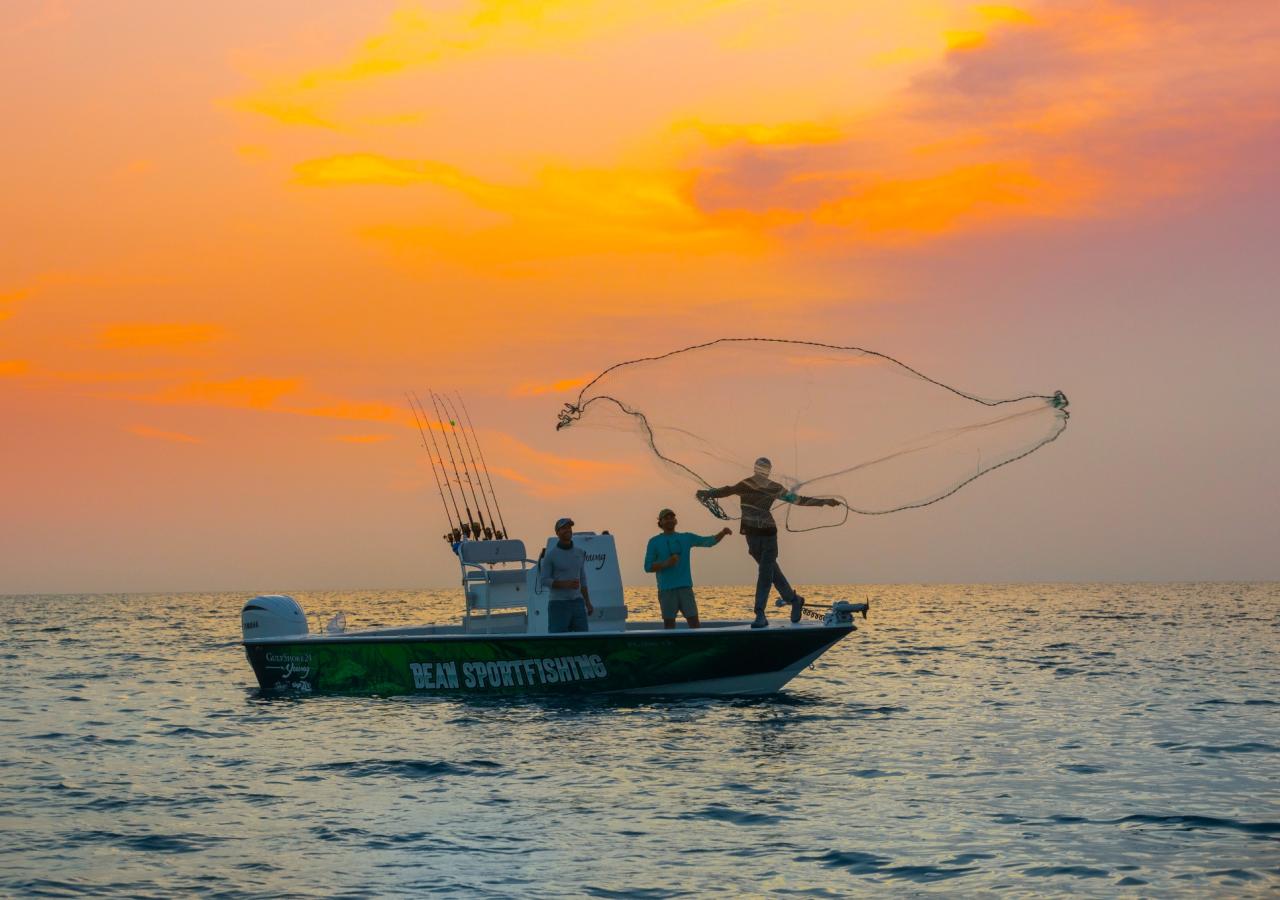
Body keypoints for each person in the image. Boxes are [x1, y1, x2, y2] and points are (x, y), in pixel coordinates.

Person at [697, 457, 840, 628]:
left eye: (765, 469)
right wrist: (708, 493)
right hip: (751, 535)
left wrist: (824, 501)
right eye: (761, 468)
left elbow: (798, 500)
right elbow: (726, 490)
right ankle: (794, 600)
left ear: (768, 471)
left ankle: (760, 614)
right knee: (772, 571)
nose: (762, 471)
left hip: (769, 534)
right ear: (756, 469)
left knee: (765, 573)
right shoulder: (745, 484)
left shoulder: (774, 487)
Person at [644, 508, 732, 629]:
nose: (670, 519)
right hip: (666, 590)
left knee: (694, 623)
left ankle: (698, 646)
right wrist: (666, 563)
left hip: (685, 588)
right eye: (666, 518)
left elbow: (708, 542)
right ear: (661, 522)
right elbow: (647, 567)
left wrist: (723, 532)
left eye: (672, 517)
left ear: (676, 520)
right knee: (669, 625)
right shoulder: (654, 542)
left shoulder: (686, 538)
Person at [539, 517, 594, 633]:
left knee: (583, 638)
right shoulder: (551, 556)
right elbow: (544, 580)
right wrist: (565, 584)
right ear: (557, 532)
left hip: (578, 603)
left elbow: (583, 580)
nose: (568, 530)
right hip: (558, 604)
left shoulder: (579, 553)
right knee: (558, 641)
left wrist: (588, 603)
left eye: (569, 527)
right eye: (564, 528)